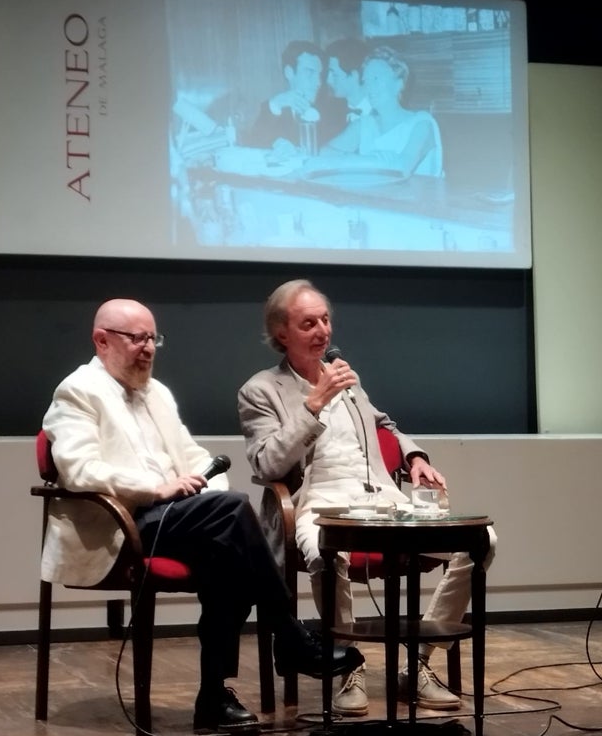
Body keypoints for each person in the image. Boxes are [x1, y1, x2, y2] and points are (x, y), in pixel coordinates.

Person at [41, 299, 363, 734]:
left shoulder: (156, 393)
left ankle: (215, 696)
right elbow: (79, 471)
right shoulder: (77, 392)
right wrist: (155, 488)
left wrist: (205, 492)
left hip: (173, 519)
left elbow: (192, 457)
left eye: (153, 338)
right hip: (122, 524)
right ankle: (287, 638)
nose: (148, 348)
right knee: (229, 519)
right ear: (102, 341)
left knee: (227, 544)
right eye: (136, 338)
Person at [237, 279, 496, 717]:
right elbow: (267, 465)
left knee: (481, 540)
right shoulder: (261, 391)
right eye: (308, 323)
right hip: (316, 502)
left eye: (324, 320)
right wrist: (313, 405)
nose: (322, 331)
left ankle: (418, 662)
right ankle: (348, 668)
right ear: (282, 333)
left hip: (381, 496)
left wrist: (414, 455)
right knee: (325, 551)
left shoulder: (348, 378)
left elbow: (386, 426)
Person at [311, 45, 443, 178]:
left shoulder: (422, 123)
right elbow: (324, 153)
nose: (369, 86)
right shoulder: (364, 124)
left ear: (399, 84)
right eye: (366, 80)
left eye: (375, 79)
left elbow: (402, 168)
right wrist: (370, 159)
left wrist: (351, 159)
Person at [245, 40, 335, 154]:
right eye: (310, 72)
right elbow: (253, 144)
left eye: (319, 74)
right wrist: (276, 104)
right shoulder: (273, 109)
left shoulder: (332, 108)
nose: (318, 82)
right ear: (289, 73)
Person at [324, 36, 371, 125]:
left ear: (354, 75)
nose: (328, 80)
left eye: (334, 74)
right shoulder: (332, 113)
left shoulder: (381, 114)